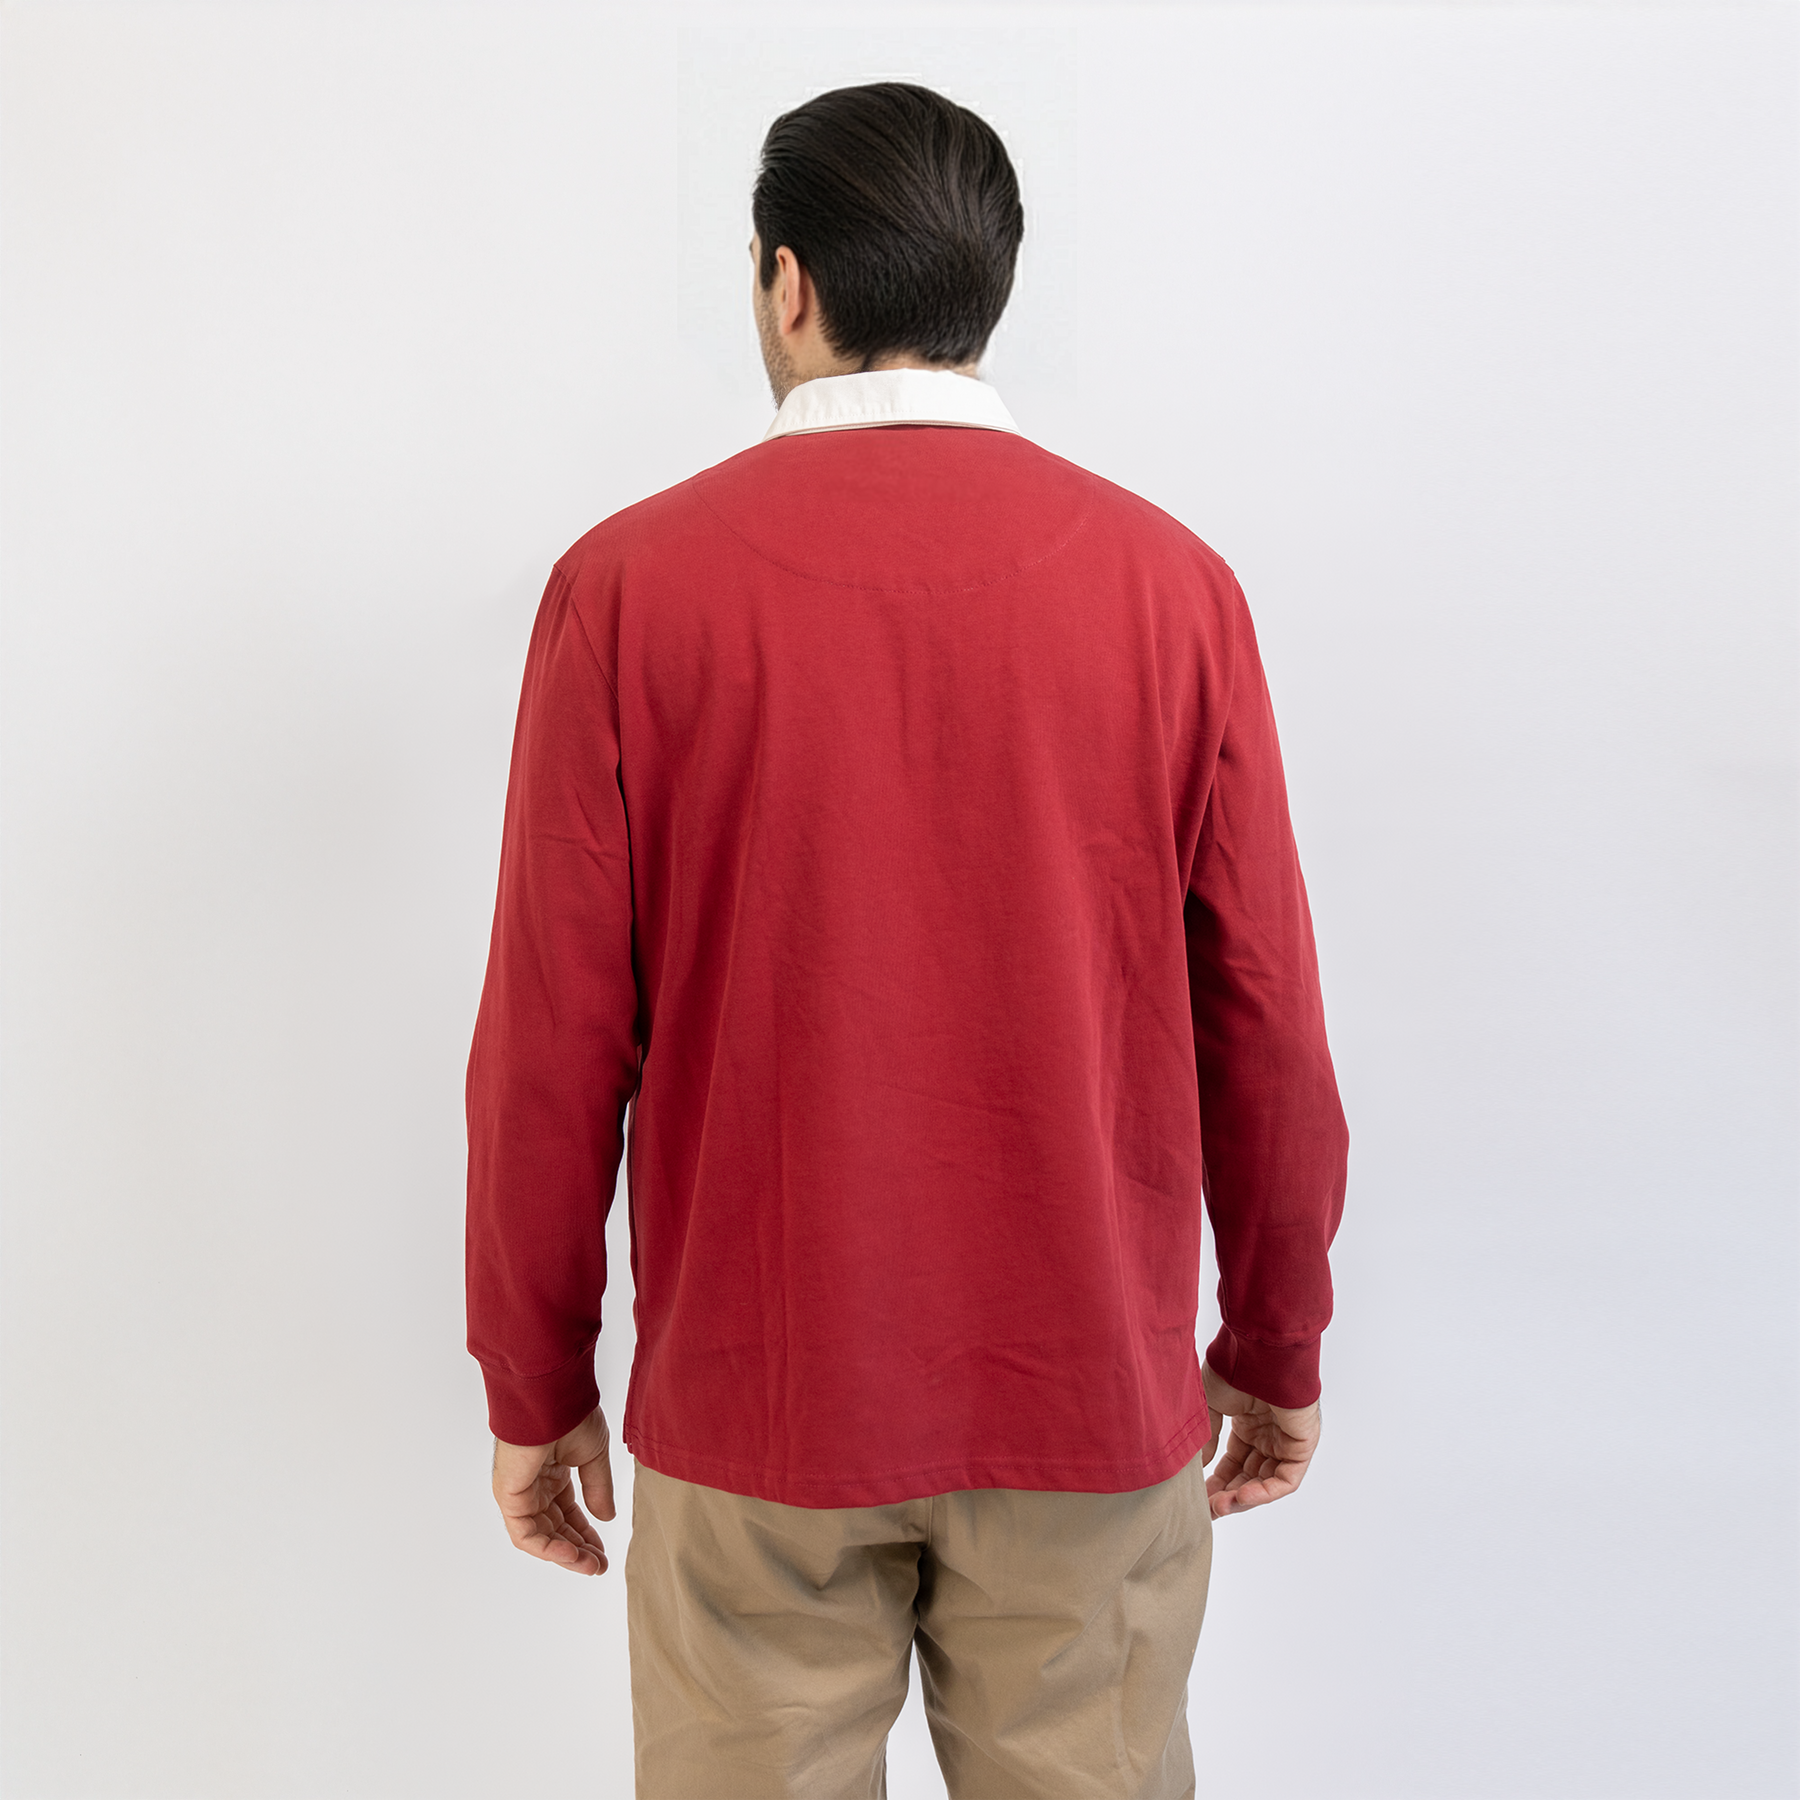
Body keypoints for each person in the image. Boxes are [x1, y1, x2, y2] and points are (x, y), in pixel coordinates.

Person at [465, 80, 1348, 1800]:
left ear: (787, 283)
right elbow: (1263, 1015)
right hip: (1086, 1400)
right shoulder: (1173, 589)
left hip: (759, 1405)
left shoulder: (627, 590)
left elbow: (550, 1043)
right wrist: (1277, 1339)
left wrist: (534, 1372)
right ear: (987, 286)